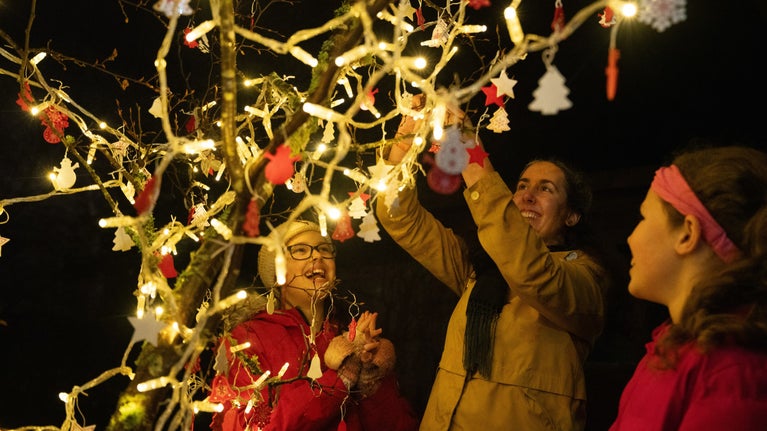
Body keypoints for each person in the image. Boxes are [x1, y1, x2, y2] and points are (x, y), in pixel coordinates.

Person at [375, 95, 611, 430]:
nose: (527, 196)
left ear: (571, 216)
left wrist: (470, 155)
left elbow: (531, 271)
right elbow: (404, 221)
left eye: (546, 190)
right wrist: (402, 149)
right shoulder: (478, 272)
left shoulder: (585, 279)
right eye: (522, 186)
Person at [609, 144, 767, 430]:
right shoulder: (670, 345)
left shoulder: (731, 374)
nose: (630, 238)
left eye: (644, 217)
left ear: (687, 234)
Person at [208, 219, 419, 431]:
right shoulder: (247, 339)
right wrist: (339, 378)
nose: (317, 256)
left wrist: (371, 382)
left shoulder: (347, 337)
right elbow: (252, 426)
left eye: (325, 249)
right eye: (300, 250)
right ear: (278, 270)